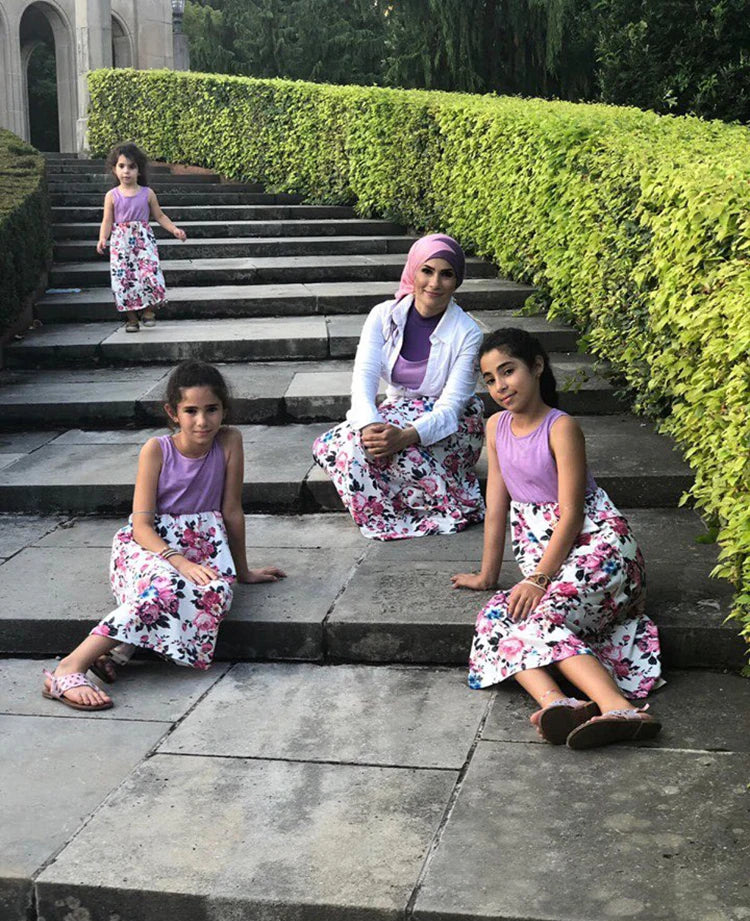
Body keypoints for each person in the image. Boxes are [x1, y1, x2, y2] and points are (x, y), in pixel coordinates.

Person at [451, 329, 662, 749]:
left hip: (597, 547)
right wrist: (487, 575)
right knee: (495, 618)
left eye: (508, 371)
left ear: (537, 366)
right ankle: (559, 704)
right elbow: (496, 506)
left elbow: (573, 513)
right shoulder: (495, 427)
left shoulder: (560, 427)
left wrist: (538, 579)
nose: (500, 386)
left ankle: (620, 708)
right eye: (490, 379)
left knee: (543, 615)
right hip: (552, 559)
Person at [43, 361, 286, 710]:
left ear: (224, 410)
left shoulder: (230, 441)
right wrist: (178, 561)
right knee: (168, 586)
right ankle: (69, 668)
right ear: (173, 412)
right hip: (151, 545)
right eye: (191, 411)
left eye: (211, 410)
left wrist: (243, 570)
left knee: (215, 592)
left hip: (206, 546)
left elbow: (232, 510)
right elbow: (141, 524)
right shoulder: (157, 450)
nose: (202, 421)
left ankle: (119, 652)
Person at [312, 234, 485, 540]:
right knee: (331, 445)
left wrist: (405, 437)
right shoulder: (383, 315)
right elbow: (363, 380)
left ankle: (439, 502)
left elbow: (450, 407)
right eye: (427, 271)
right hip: (397, 410)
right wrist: (370, 425)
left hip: (452, 424)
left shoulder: (468, 331)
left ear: (457, 281)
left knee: (392, 453)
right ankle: (391, 510)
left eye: (447, 274)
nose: (434, 283)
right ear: (413, 271)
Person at [97, 142, 186, 333]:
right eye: (121, 166)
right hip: (121, 245)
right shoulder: (111, 196)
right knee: (125, 281)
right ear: (114, 169)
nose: (126, 171)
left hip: (143, 242)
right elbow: (107, 220)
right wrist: (103, 238)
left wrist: (174, 230)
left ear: (139, 170)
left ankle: (148, 311)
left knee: (150, 275)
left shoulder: (147, 194)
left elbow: (160, 216)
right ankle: (131, 319)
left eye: (131, 166)